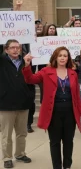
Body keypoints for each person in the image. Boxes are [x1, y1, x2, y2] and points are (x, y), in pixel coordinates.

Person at [22, 47, 81, 169]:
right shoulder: (46, 71)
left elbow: (76, 94)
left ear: (68, 58)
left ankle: (67, 165)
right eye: (60, 55)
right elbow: (30, 79)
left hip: (70, 112)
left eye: (65, 56)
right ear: (55, 57)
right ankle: (57, 166)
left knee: (68, 142)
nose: (62, 58)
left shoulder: (72, 73)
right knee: (55, 142)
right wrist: (27, 65)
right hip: (53, 111)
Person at [0, 39, 33, 168]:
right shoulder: (2, 61)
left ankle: (20, 154)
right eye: (12, 47)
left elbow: (30, 78)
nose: (15, 50)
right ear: (6, 49)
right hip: (6, 104)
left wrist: (29, 96)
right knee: (6, 134)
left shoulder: (25, 61)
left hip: (23, 103)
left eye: (17, 47)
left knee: (21, 133)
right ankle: (7, 158)